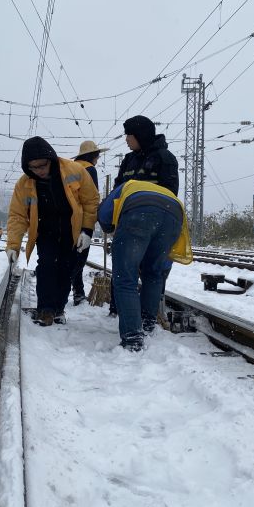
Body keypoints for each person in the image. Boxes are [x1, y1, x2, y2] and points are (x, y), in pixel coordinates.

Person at [6, 136, 100, 326]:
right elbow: (17, 216)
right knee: (47, 264)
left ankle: (59, 309)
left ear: (50, 159)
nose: (40, 171)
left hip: (70, 229)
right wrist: (13, 245)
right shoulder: (24, 184)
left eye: (43, 165)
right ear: (27, 167)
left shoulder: (75, 171)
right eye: (34, 167)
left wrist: (87, 231)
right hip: (45, 231)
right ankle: (46, 309)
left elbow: (91, 201)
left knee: (66, 268)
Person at [98, 180, 192, 351]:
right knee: (154, 274)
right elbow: (161, 265)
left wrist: (111, 228)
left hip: (138, 212)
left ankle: (133, 337)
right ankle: (147, 324)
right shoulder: (152, 188)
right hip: (174, 215)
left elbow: (104, 215)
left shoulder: (123, 187)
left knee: (125, 278)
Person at [108, 115, 179, 317]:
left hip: (155, 223)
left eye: (129, 135)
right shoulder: (129, 159)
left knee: (151, 272)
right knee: (124, 267)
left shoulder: (165, 158)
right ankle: (118, 310)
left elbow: (170, 193)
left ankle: (148, 319)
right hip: (128, 222)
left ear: (140, 135)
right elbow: (118, 190)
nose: (126, 139)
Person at [69, 140, 108, 305]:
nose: (98, 159)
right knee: (79, 258)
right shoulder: (89, 170)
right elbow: (91, 197)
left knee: (70, 256)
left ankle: (78, 292)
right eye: (97, 156)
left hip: (67, 218)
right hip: (82, 218)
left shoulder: (71, 168)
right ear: (92, 156)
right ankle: (64, 290)